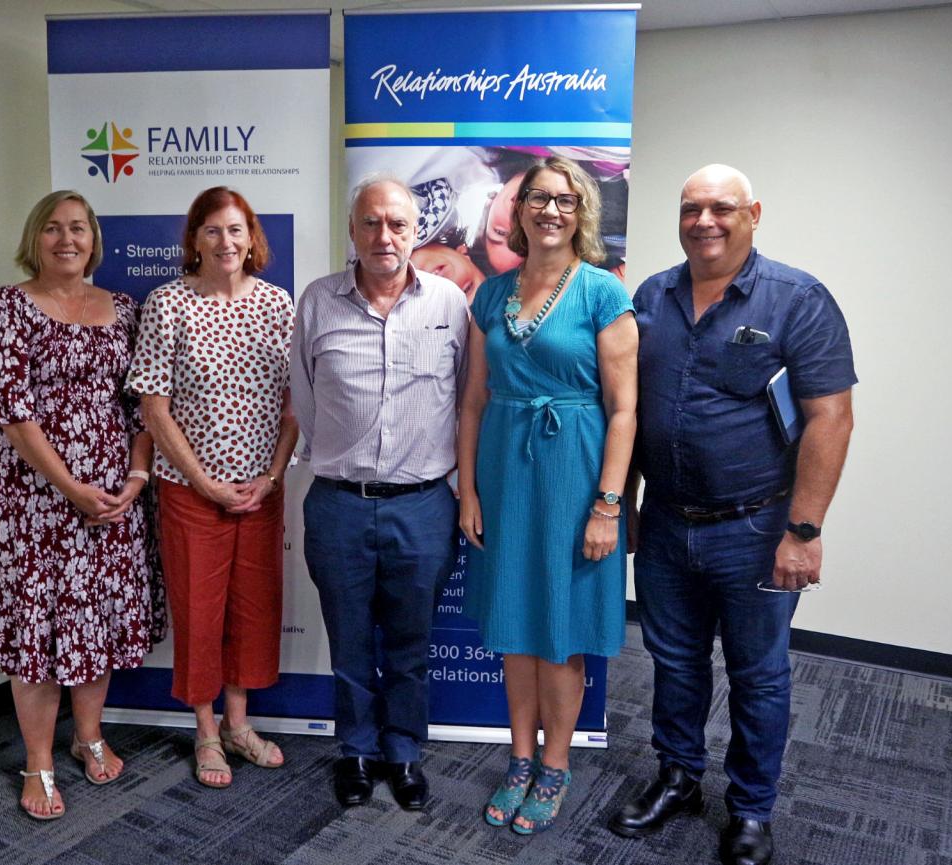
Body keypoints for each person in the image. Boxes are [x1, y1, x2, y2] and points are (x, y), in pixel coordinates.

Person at [606, 164, 855, 865]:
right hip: (665, 523)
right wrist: (623, 503)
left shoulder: (796, 299)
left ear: (754, 213)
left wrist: (803, 531)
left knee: (759, 673)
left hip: (756, 528)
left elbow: (831, 417)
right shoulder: (653, 295)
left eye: (721, 208)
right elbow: (626, 410)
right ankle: (679, 776)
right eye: (691, 208)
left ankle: (750, 807)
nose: (704, 221)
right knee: (674, 662)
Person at [0, 190, 165, 821]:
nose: (66, 239)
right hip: (32, 501)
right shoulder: (7, 307)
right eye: (52, 228)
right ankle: (39, 762)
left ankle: (87, 737)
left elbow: (144, 404)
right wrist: (72, 488)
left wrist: (135, 478)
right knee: (39, 629)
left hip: (112, 497)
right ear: (36, 238)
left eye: (78, 228)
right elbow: (9, 413)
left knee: (94, 621)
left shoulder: (127, 310)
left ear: (93, 238)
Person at [457, 156, 638, 835]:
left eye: (564, 200)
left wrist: (608, 506)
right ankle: (519, 756)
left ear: (580, 210)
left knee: (559, 636)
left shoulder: (602, 293)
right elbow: (472, 400)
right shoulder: (490, 294)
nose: (550, 210)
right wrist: (467, 488)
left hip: (574, 473)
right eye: (538, 198)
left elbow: (624, 410)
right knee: (515, 631)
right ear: (519, 208)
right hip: (506, 471)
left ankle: (554, 764)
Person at [290, 176, 468, 811]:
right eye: (370, 223)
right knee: (350, 641)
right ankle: (357, 751)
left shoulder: (450, 303)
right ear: (352, 230)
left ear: (416, 230)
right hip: (338, 501)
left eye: (396, 224)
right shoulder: (316, 302)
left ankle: (404, 752)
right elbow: (305, 402)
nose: (384, 236)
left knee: (411, 642)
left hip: (423, 504)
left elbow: (468, 400)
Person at [126, 187, 297, 789]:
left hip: (261, 492)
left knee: (251, 612)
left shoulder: (278, 305)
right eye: (213, 231)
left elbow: (294, 402)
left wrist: (271, 477)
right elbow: (153, 405)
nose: (226, 242)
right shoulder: (169, 304)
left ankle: (239, 724)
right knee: (201, 614)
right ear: (194, 240)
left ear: (252, 239)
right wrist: (203, 482)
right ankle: (204, 731)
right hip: (190, 493)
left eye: (237, 230)